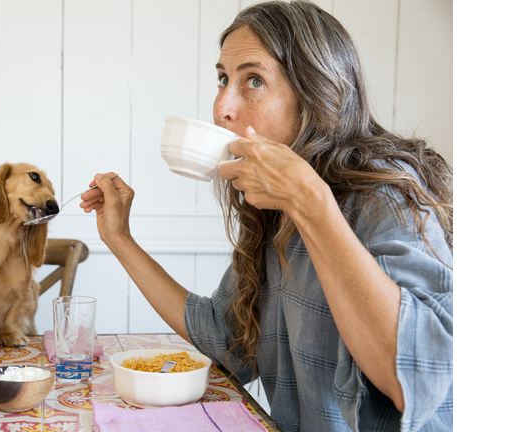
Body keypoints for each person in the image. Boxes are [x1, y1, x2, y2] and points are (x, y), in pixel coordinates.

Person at [79, 1, 452, 431]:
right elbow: (223, 338)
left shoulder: (386, 194)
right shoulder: (272, 212)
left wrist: (310, 201)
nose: (222, 107)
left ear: (318, 94)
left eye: (253, 80)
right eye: (223, 79)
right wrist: (120, 239)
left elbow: (417, 380)